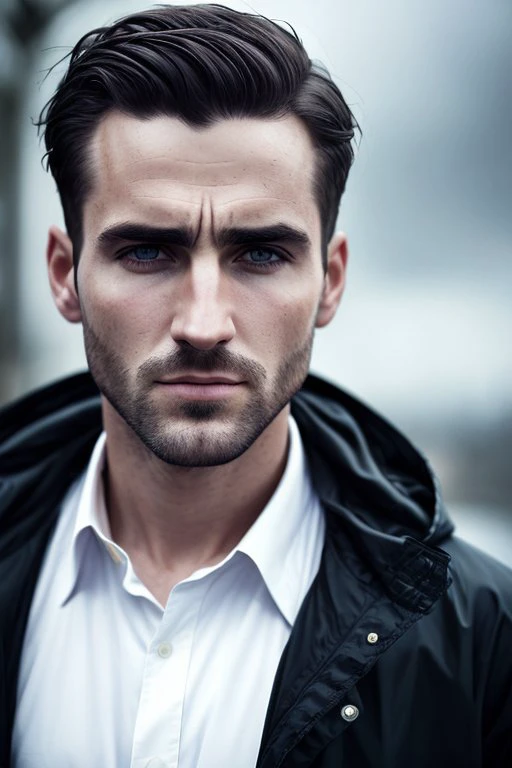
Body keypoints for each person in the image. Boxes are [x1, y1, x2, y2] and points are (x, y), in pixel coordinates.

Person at [0, 4, 511, 767]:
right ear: (64, 275)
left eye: (261, 255)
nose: (204, 323)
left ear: (330, 281)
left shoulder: (484, 639)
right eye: (146, 251)